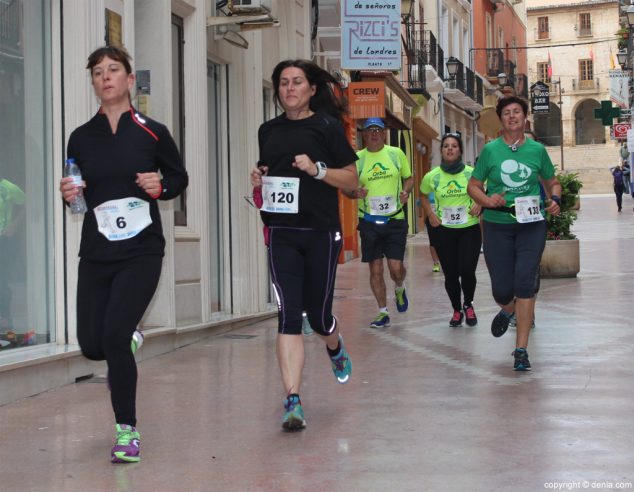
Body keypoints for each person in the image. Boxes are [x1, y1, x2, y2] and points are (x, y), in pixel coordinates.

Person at [59, 46, 188, 463]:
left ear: (130, 80)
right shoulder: (80, 136)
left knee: (112, 337)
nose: (105, 77)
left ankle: (127, 432)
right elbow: (78, 196)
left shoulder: (152, 131)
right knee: (91, 345)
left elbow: (177, 177)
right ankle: (127, 340)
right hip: (97, 250)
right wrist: (69, 196)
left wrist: (161, 186)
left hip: (142, 250)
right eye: (97, 72)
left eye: (113, 70)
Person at [250, 59, 358, 431]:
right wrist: (258, 178)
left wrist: (317, 170)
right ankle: (292, 399)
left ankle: (333, 343)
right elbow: (266, 176)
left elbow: (350, 178)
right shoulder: (268, 130)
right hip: (281, 233)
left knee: (318, 314)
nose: (290, 88)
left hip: (321, 233)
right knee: (289, 315)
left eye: (297, 82)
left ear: (312, 89)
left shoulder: (326, 127)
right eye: (283, 83)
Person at [467, 96, 561, 371]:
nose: (512, 116)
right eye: (506, 113)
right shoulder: (491, 151)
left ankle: (521, 349)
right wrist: (486, 200)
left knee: (525, 284)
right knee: (502, 289)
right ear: (501, 119)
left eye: (516, 112)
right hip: (498, 224)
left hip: (531, 224)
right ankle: (507, 308)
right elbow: (474, 185)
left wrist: (555, 199)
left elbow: (552, 181)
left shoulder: (537, 150)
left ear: (524, 117)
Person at [344, 117, 413, 328]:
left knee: (395, 268)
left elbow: (408, 178)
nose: (374, 133)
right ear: (364, 134)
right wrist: (355, 193)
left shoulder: (396, 154)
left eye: (378, 130)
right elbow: (345, 188)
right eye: (369, 130)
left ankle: (399, 286)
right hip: (369, 221)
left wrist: (405, 191)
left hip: (395, 219)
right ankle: (383, 312)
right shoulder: (357, 158)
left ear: (384, 133)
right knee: (375, 269)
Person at [420, 133, 481, 327]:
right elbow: (422, 195)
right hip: (443, 230)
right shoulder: (432, 176)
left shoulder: (472, 173)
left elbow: (483, 192)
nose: (450, 149)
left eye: (454, 146)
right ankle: (456, 310)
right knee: (451, 274)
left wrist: (479, 204)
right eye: (446, 146)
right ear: (441, 151)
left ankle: (468, 304)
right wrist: (430, 214)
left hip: (469, 229)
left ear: (460, 151)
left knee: (468, 270)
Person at [0, 175, 25, 346]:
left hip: (3, 239)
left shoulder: (7, 186)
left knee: (2, 282)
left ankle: (6, 327)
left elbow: (26, 202)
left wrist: (14, 225)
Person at [425, 192, 441, 273]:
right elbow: (419, 202)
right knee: (433, 242)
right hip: (432, 219)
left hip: (446, 218)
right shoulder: (427, 188)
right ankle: (436, 263)